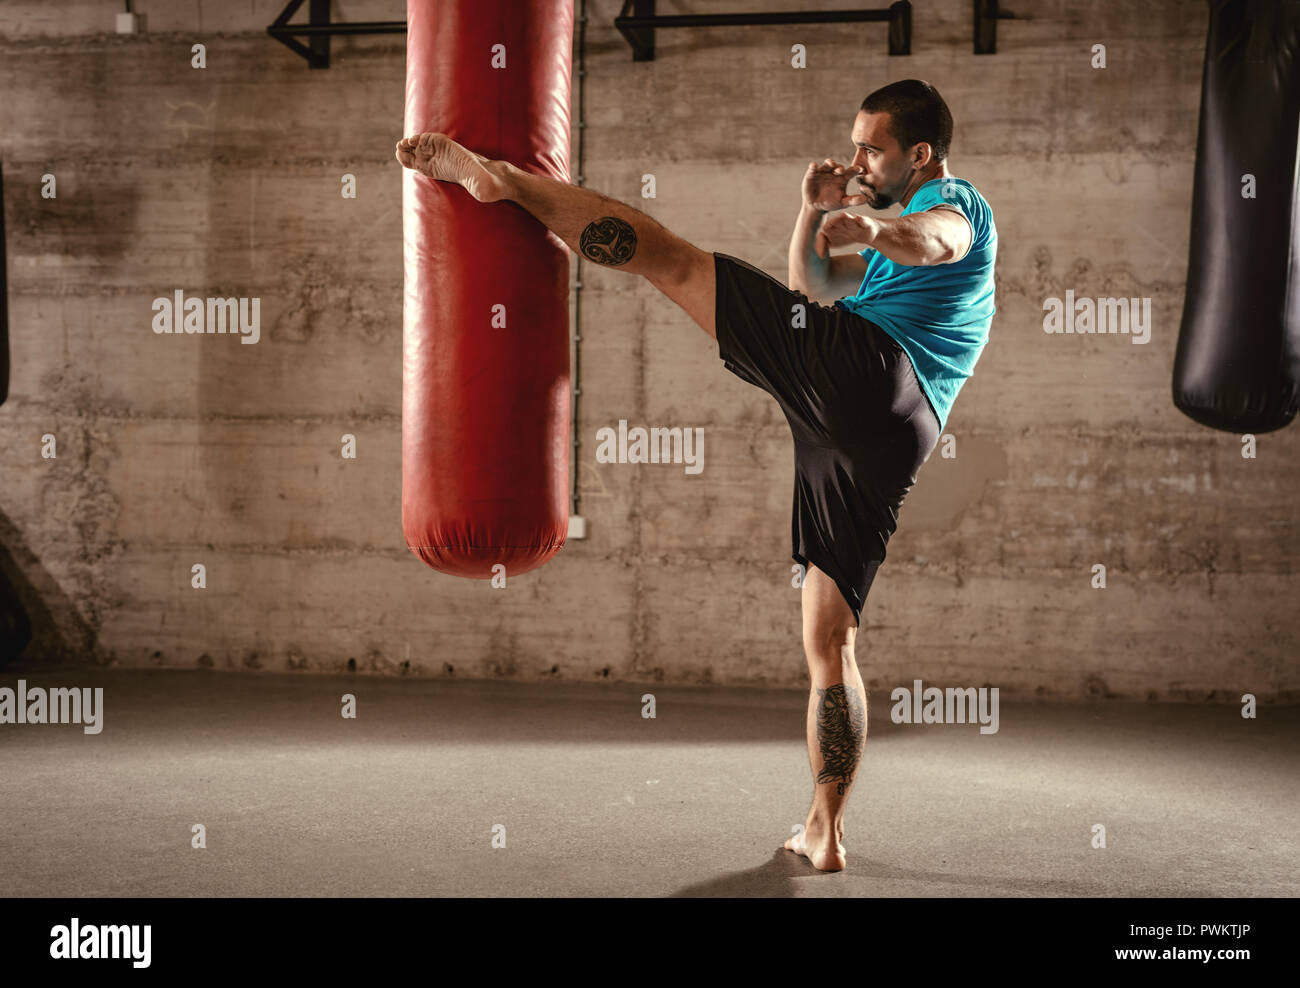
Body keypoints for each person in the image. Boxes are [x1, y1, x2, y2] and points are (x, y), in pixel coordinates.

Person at [396, 78, 997, 872]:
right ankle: (826, 830)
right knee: (830, 635)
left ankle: (501, 180)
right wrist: (817, 213)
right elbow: (807, 292)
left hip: (871, 370)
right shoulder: (883, 232)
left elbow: (936, 240)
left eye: (871, 148)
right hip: (882, 432)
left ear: (919, 154)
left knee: (673, 261)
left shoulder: (960, 202)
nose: (858, 158)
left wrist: (876, 228)